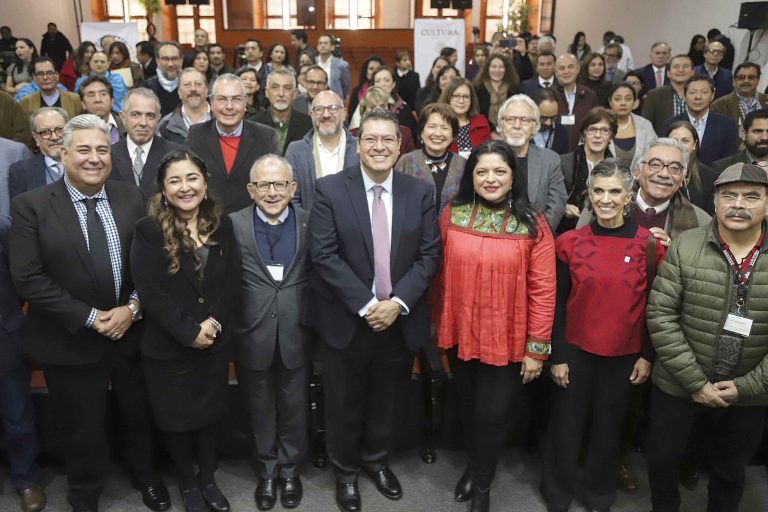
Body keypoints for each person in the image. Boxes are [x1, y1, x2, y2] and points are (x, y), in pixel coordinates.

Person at [9, 114, 170, 512]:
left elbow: (151, 263)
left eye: (102, 149)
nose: (94, 158)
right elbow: (28, 278)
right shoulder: (32, 206)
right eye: (83, 150)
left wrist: (132, 308)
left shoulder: (130, 195)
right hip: (70, 338)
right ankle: (85, 493)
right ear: (62, 153)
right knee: (81, 426)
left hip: (130, 331)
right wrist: (92, 317)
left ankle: (146, 477)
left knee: (137, 413)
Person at [305, 109, 440, 512]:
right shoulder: (329, 189)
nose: (379, 147)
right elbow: (323, 256)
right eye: (371, 139)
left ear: (401, 147)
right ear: (358, 144)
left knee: (387, 399)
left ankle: (376, 461)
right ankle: (345, 473)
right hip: (346, 319)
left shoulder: (419, 192)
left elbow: (429, 255)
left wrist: (396, 304)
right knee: (343, 402)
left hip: (398, 320)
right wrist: (368, 305)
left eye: (388, 140)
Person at [432, 140, 554, 512]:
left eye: (500, 171)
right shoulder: (452, 213)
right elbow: (438, 275)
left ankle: (482, 488)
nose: (490, 178)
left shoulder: (534, 223)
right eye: (481, 171)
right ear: (471, 175)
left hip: (508, 339)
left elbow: (544, 289)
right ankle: (475, 466)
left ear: (513, 176)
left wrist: (537, 348)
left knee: (493, 413)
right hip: (461, 333)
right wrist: (438, 329)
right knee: (469, 410)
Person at [647, 162, 768, 512]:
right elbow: (660, 315)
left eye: (751, 196)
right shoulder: (685, 246)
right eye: (728, 196)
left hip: (748, 393)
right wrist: (696, 383)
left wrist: (746, 386)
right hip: (678, 384)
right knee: (664, 463)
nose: (738, 204)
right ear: (714, 202)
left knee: (730, 472)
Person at [542, 159, 662, 512]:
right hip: (576, 350)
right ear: (588, 195)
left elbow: (656, 307)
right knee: (566, 427)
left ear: (628, 196)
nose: (605, 199)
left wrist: (647, 354)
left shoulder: (650, 246)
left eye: (614, 191)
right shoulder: (569, 242)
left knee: (609, 430)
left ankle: (597, 495)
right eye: (598, 191)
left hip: (624, 354)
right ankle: (557, 493)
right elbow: (558, 304)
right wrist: (558, 356)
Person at [131, 149, 240, 512]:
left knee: (209, 418)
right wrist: (188, 330)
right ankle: (189, 484)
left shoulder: (223, 225)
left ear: (205, 183)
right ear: (163, 190)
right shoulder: (147, 231)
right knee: (176, 422)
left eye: (191, 178)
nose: (184, 187)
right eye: (174, 180)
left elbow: (232, 284)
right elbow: (150, 291)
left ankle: (208, 479)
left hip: (213, 343)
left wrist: (214, 324)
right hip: (168, 346)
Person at [230, 155, 310, 511]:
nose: (272, 191)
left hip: (297, 331)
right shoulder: (232, 225)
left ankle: (290, 471)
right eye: (264, 184)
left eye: (280, 184)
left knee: (294, 406)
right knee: (259, 407)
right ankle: (266, 470)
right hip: (252, 331)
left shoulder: (311, 223)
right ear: (251, 190)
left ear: (293, 188)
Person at [0, 213, 47, 512]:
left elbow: (20, 278)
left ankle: (26, 480)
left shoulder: (3, 230)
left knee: (16, 414)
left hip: (5, 332)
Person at [186, 74, 278, 213]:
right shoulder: (196, 135)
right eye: (222, 99)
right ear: (211, 102)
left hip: (250, 223)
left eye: (236, 99)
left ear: (245, 103)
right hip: (206, 222)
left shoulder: (265, 137)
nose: (229, 107)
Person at [498, 94, 567, 231]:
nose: (517, 126)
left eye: (524, 120)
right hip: (494, 237)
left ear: (534, 125)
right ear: (501, 123)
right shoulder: (485, 157)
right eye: (510, 119)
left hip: (537, 237)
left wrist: (536, 234)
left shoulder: (550, 160)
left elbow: (557, 205)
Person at [286, 90, 358, 212]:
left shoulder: (360, 148)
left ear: (344, 113)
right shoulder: (296, 151)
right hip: (310, 228)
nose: (326, 115)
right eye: (319, 109)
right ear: (311, 115)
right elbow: (291, 197)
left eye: (333, 108)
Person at [110, 88, 185, 198]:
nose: (143, 123)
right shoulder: (108, 156)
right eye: (136, 115)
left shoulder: (177, 155)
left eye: (150, 116)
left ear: (158, 119)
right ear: (123, 117)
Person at [394, 103, 467, 210]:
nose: (438, 133)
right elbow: (395, 201)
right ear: (422, 132)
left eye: (444, 127)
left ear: (453, 135)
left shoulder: (463, 164)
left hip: (453, 226)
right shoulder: (407, 162)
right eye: (432, 126)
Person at [558, 107, 617, 233]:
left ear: (611, 136)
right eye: (592, 130)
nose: (598, 135)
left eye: (604, 130)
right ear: (583, 134)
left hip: (603, 232)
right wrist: (564, 207)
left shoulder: (616, 169)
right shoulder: (563, 162)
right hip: (565, 231)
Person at [660, 75, 738, 166]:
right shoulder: (670, 124)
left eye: (704, 92)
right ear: (684, 96)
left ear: (712, 96)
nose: (698, 97)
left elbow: (730, 159)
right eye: (692, 92)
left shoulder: (727, 124)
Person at [9, 107, 68, 199]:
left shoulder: (87, 163)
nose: (54, 137)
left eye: (60, 130)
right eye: (45, 132)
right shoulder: (21, 172)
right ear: (36, 138)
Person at [252, 69, 312, 155]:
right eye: (275, 87)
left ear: (294, 94)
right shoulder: (253, 124)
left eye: (287, 88)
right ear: (267, 92)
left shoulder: (308, 124)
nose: (281, 93)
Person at [664, 120, 717, 214]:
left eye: (685, 141)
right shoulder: (657, 172)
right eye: (674, 141)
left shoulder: (709, 176)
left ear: (694, 145)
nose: (679, 145)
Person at [552, 53, 599, 151]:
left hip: (583, 152)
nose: (566, 71)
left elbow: (595, 124)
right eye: (561, 68)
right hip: (554, 152)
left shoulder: (590, 95)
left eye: (571, 67)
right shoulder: (548, 95)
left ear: (578, 69)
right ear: (556, 72)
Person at [711, 62, 768, 142]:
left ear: (758, 80)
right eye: (741, 77)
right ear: (734, 81)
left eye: (751, 77)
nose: (746, 81)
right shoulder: (719, 105)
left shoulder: (766, 101)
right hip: (733, 152)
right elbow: (717, 135)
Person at [351, 86, 416, 156]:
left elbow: (411, 163)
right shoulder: (353, 135)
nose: (378, 110)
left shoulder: (404, 133)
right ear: (364, 110)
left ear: (389, 108)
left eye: (382, 106)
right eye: (372, 107)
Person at [438, 77, 491, 158]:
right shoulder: (439, 122)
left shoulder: (481, 121)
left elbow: (489, 153)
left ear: (471, 100)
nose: (461, 101)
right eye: (456, 96)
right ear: (448, 98)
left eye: (466, 97)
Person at [607, 82, 656, 168]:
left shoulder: (645, 125)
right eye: (617, 99)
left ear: (635, 103)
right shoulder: (599, 124)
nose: (623, 103)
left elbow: (655, 154)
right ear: (610, 102)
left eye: (628, 99)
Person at [158, 68, 212, 145]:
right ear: (179, 92)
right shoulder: (166, 124)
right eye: (187, 85)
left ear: (207, 90)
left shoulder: (220, 119)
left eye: (198, 84)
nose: (193, 89)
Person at [641, 54, 694, 134]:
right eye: (676, 66)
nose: (681, 70)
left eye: (685, 66)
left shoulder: (699, 94)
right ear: (668, 73)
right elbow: (645, 125)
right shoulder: (654, 95)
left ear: (692, 72)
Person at [474, 54, 519, 131]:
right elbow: (476, 114)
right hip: (483, 131)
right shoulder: (478, 88)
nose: (497, 70)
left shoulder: (513, 88)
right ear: (487, 68)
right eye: (494, 66)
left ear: (506, 69)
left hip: (509, 131)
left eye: (501, 67)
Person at [370, 66, 417, 138]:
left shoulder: (403, 108)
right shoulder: (366, 106)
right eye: (378, 81)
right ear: (373, 85)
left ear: (393, 84)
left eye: (387, 80)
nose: (382, 84)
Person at [79, 75, 126, 144]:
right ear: (83, 104)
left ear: (112, 101)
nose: (98, 100)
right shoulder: (75, 130)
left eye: (103, 94)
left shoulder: (125, 125)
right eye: (91, 95)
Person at [141, 41, 183, 116]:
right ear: (157, 61)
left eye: (175, 58)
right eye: (165, 59)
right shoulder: (146, 88)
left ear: (181, 60)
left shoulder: (190, 87)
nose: (170, 64)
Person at [532, 87, 570, 155]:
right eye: (543, 118)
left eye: (553, 117)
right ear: (533, 111)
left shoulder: (562, 132)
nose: (548, 123)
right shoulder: (523, 131)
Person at [347, 55, 384, 125]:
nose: (375, 71)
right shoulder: (356, 91)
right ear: (366, 73)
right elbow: (351, 116)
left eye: (378, 68)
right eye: (371, 68)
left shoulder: (388, 91)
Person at [316, 34, 349, 101]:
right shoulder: (312, 62)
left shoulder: (342, 65)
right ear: (317, 47)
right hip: (316, 99)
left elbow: (345, 86)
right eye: (320, 43)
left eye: (326, 43)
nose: (323, 45)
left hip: (335, 101)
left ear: (332, 47)